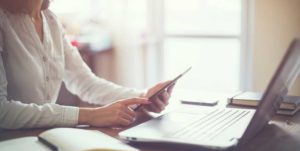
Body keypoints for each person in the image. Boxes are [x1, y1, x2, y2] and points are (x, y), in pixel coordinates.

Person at [0, 0, 173, 130]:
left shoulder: (50, 20)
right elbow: (2, 113)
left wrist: (142, 98)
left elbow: (85, 83)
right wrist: (89, 115)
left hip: (45, 139)